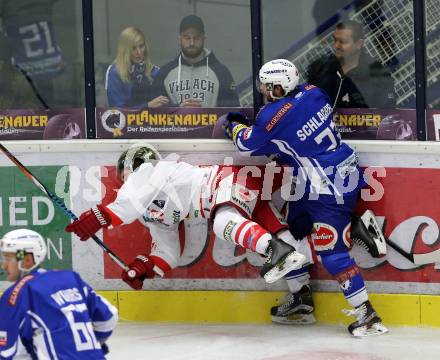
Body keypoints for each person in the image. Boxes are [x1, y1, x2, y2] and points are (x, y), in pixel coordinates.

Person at [223, 58, 388, 337]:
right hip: (333, 174)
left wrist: (234, 125)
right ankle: (301, 299)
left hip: (327, 187)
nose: (263, 90)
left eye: (268, 86)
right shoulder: (314, 92)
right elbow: (297, 137)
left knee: (332, 253)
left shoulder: (272, 116)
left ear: (280, 86)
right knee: (292, 230)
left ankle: (367, 314)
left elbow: (246, 144)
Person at [64, 144, 306, 289]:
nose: (127, 176)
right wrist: (143, 268)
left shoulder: (152, 170)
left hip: (227, 182)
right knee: (293, 244)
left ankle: (278, 251)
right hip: (230, 194)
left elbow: (127, 205)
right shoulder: (147, 212)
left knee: (223, 223)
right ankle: (299, 287)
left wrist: (96, 218)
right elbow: (167, 253)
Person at [0, 228, 118, 358]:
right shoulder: (71, 279)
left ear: (27, 259)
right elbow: (109, 317)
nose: (3, 266)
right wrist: (94, 344)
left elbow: (7, 352)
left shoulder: (18, 294)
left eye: (8, 259)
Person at [151, 14, 240, 108]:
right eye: (187, 38)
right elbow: (155, 114)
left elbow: (233, 111)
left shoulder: (221, 72)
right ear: (179, 39)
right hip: (176, 123)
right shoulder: (164, 73)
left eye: (196, 38)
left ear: (204, 39)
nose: (192, 43)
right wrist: (179, 111)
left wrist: (206, 116)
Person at [306, 20, 396, 109]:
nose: (335, 46)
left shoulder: (377, 74)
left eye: (342, 42)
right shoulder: (321, 68)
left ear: (359, 44)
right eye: (335, 40)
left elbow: (387, 111)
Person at [105, 26, 169, 109]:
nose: (139, 52)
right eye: (133, 48)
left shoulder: (155, 71)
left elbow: (166, 104)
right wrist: (147, 106)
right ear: (125, 50)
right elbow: (118, 112)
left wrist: (179, 107)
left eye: (141, 46)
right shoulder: (114, 72)